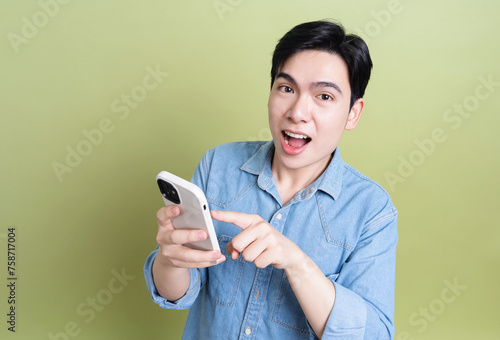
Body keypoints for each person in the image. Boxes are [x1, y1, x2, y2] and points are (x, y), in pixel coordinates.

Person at [144, 20, 398, 339]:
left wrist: (296, 263)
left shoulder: (372, 211)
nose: (297, 112)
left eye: (324, 97)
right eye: (287, 88)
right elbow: (180, 293)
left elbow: (374, 334)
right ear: (270, 92)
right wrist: (169, 261)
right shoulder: (217, 165)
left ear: (353, 113)